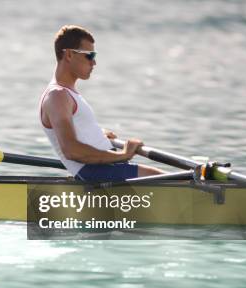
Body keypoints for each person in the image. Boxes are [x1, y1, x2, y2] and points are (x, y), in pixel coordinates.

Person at [39, 25, 163, 182]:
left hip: (106, 169)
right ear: (69, 55)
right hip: (98, 173)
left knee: (183, 182)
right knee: (183, 184)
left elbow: (74, 130)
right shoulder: (57, 96)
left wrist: (96, 133)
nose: (94, 63)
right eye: (89, 55)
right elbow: (71, 150)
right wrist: (123, 154)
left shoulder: (66, 93)